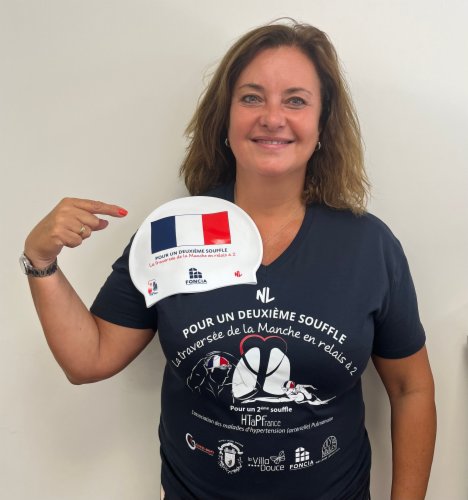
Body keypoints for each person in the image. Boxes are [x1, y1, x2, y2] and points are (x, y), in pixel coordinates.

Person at [22, 20, 436, 500]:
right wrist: (41, 260)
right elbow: (89, 359)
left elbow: (411, 389)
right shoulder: (173, 233)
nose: (272, 117)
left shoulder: (368, 246)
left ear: (323, 125)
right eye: (252, 98)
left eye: (296, 101)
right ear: (226, 118)